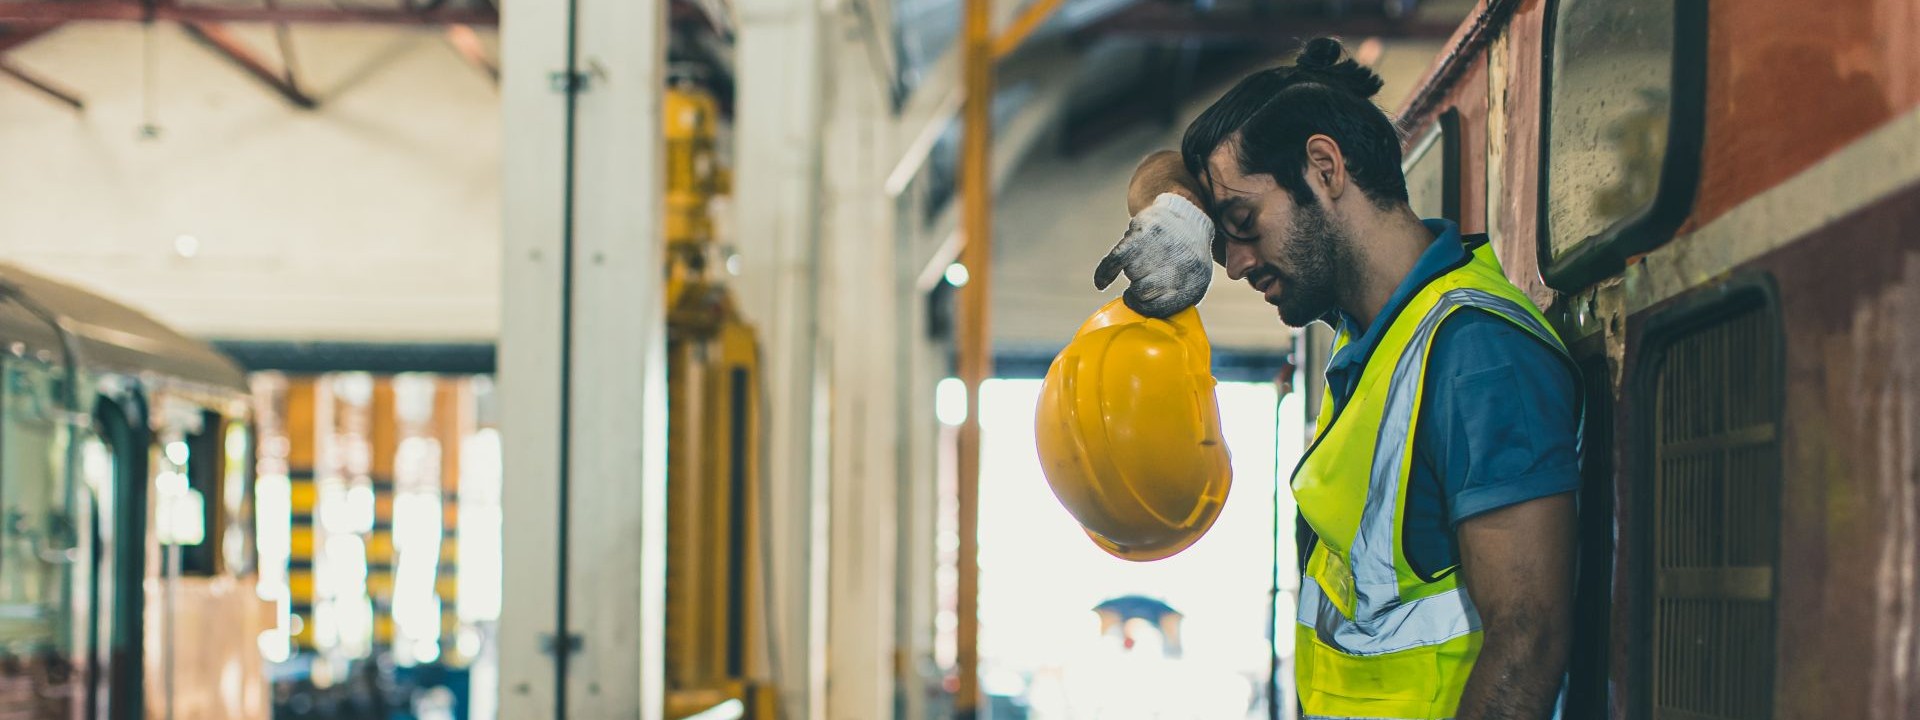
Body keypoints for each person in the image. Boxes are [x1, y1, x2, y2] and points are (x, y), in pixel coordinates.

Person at [1094, 37, 1581, 720]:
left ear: (1324, 168)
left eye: (1242, 223)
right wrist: (1173, 210)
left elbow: (1528, 640)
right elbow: (1162, 166)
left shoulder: (1477, 355)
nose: (1232, 264)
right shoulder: (1375, 343)